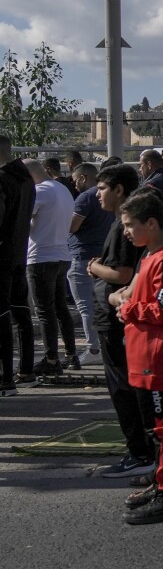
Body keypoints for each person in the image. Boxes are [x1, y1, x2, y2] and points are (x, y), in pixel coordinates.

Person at [113, 191, 163, 525]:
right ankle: (162, 485)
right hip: (143, 357)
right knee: (155, 429)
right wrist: (124, 299)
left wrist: (126, 307)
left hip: (158, 360)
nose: (126, 232)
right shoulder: (149, 255)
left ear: (152, 223)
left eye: (130, 225)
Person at [89, 165, 151, 478]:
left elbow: (122, 274)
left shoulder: (119, 228)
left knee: (122, 387)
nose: (96, 194)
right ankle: (142, 450)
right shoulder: (120, 225)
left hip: (113, 316)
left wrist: (94, 267)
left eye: (101, 188)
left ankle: (139, 452)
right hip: (112, 313)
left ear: (119, 190)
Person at [27, 158, 77, 374]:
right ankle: (71, 354)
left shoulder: (39, 192)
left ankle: (50, 359)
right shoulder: (62, 189)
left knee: (44, 311)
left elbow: (23, 220)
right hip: (62, 254)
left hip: (41, 256)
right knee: (60, 308)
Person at [0, 136, 38, 393]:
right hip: (19, 254)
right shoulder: (26, 179)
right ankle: (25, 370)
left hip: (2, 255)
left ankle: (5, 378)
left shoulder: (3, 178)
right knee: (20, 312)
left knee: (3, 316)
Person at [67, 162, 109, 366]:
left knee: (86, 306)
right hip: (103, 256)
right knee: (102, 304)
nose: (74, 185)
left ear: (83, 178)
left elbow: (72, 226)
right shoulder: (107, 196)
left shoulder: (85, 197)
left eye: (75, 181)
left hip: (83, 256)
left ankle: (94, 349)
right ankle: (104, 346)